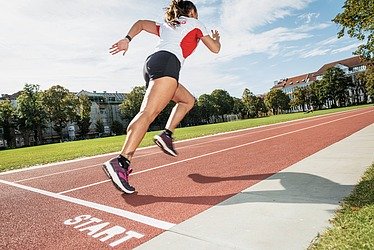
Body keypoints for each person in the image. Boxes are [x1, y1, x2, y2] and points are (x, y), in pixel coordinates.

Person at [103, 0, 221, 194]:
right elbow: (215, 49)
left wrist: (127, 39)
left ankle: (166, 134)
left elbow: (141, 23)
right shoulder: (195, 23)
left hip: (153, 63)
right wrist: (217, 39)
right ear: (191, 11)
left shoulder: (168, 25)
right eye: (196, 12)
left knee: (188, 100)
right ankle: (121, 161)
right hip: (168, 63)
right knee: (148, 113)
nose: (197, 16)